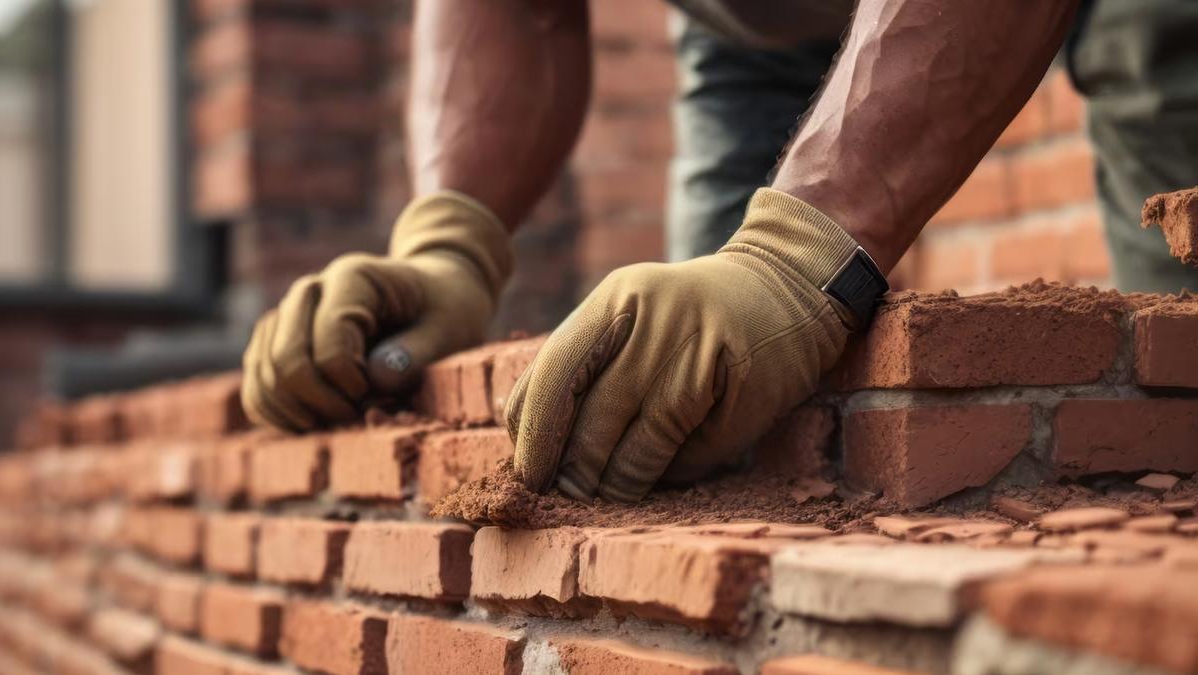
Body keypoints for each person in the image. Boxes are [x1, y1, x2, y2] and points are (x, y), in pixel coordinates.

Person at [240, 0, 1198, 503]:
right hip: (753, 26)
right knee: (693, 413)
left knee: (1178, 363)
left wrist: (797, 253)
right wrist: (451, 244)